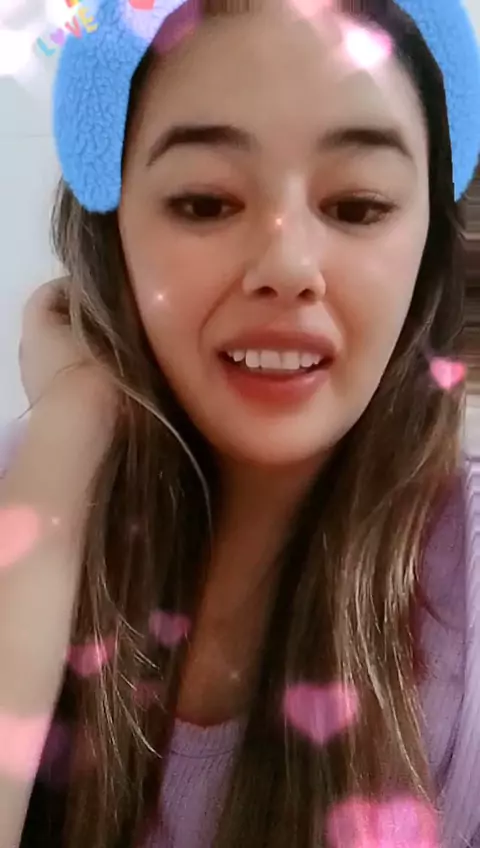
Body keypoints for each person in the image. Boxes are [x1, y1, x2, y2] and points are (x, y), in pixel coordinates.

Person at [0, 0, 479, 846]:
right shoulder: (29, 486)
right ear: (115, 234)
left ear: (429, 247)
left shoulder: (465, 577)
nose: (288, 266)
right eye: (205, 202)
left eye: (358, 205)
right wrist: (67, 437)